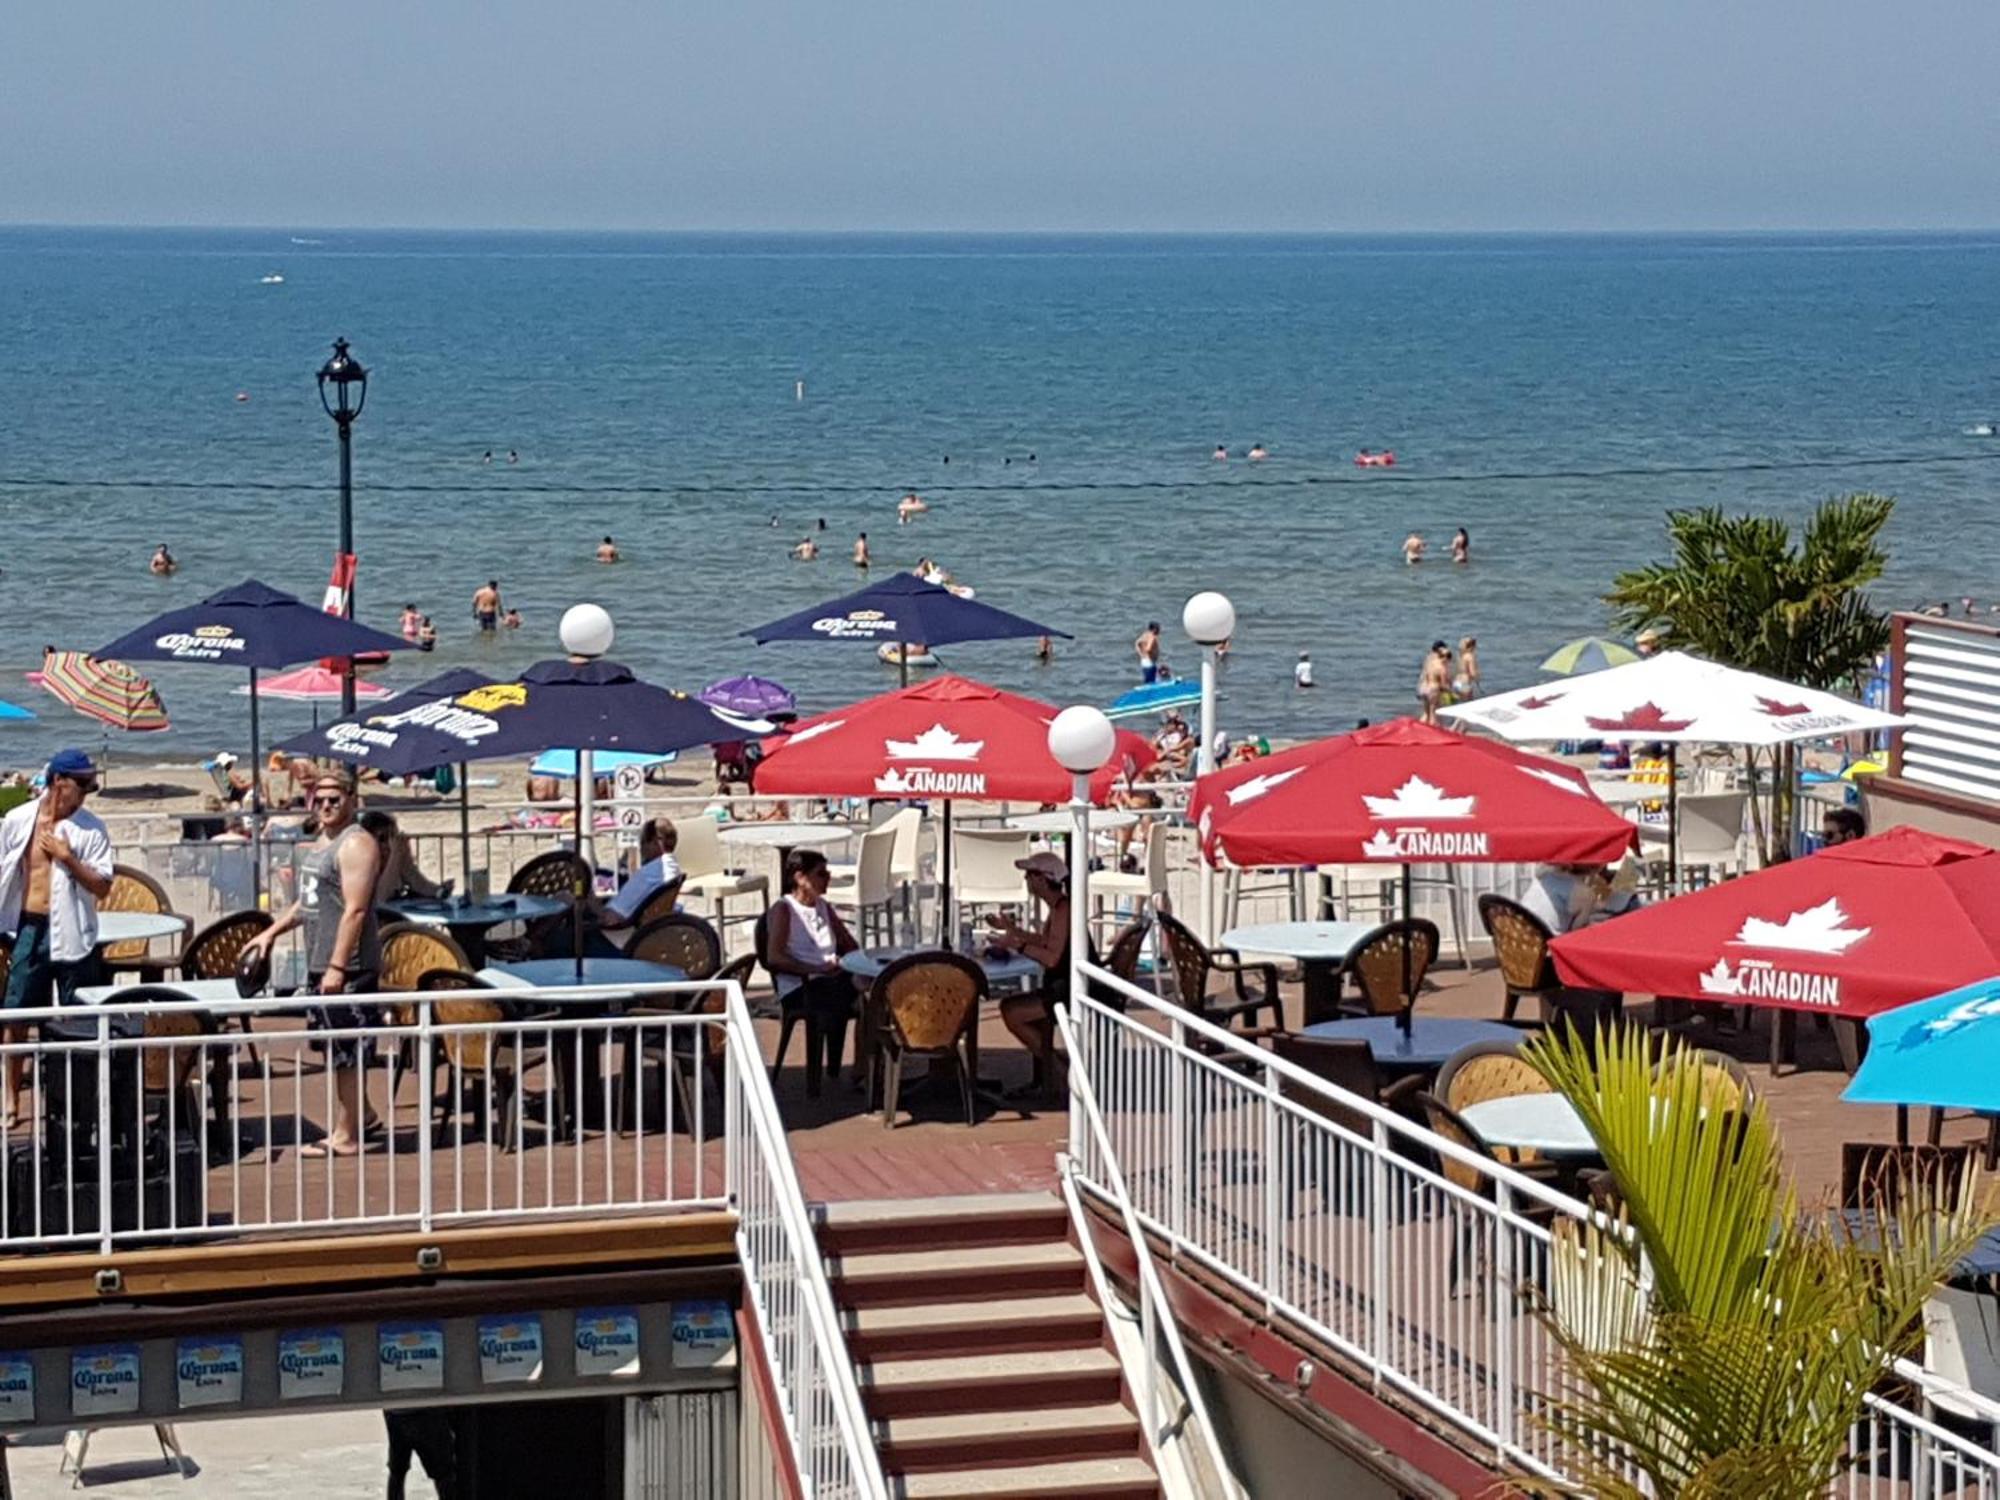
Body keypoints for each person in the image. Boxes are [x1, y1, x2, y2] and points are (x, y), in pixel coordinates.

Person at [243, 772, 383, 1157]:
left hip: (349, 966)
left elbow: (355, 910)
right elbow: (308, 902)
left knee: (348, 1052)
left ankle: (347, 1134)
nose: (324, 805)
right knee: (334, 1049)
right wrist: (272, 932)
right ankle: (363, 1114)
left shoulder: (355, 843)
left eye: (334, 799)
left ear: (352, 799)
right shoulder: (321, 843)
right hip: (321, 961)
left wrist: (338, 966)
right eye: (318, 799)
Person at [0, 750, 113, 1127]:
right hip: (29, 927)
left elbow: (102, 887)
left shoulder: (91, 828)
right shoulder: (18, 821)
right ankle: (12, 1097)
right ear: (58, 781)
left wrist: (68, 858)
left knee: (77, 1018)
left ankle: (78, 1104)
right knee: (16, 1016)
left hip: (73, 932)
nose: (87, 792)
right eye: (82, 784)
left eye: (90, 785)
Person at [764, 850, 860, 1097]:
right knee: (854, 996)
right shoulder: (785, 910)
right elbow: (774, 957)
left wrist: (843, 961)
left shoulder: (824, 907)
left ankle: (864, 1069)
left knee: (874, 994)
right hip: (801, 986)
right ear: (800, 877)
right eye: (821, 874)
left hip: (829, 978)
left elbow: (851, 946)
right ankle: (848, 1073)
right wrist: (814, 969)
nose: (827, 879)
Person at [993, 853, 1073, 1096]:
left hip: (1067, 989)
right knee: (1013, 1008)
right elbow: (1047, 941)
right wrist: (1013, 931)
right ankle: (1050, 1075)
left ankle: (1062, 1070)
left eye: (1030, 874)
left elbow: (1051, 957)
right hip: (1061, 985)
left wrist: (1017, 945)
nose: (1026, 879)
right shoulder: (1059, 906)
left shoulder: (1063, 910)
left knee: (1012, 1012)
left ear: (1042, 878)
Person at [599, 818, 682, 933]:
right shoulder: (674, 868)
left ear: (654, 842)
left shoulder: (648, 875)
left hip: (621, 938)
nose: (641, 848)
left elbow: (612, 916)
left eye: (642, 842)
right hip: (653, 931)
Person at [1522, 861, 1639, 935]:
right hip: (1548, 958)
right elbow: (1576, 937)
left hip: (1518, 948)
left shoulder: (1541, 878)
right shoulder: (1584, 894)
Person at [361, 810, 447, 905]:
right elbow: (380, 897)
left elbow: (417, 881)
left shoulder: (396, 857)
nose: (388, 844)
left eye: (392, 836)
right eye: (382, 838)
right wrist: (396, 854)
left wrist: (439, 891)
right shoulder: (364, 863)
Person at [1417, 641, 1451, 724]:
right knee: (1433, 714)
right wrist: (1450, 692)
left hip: (1424, 687)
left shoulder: (1430, 661)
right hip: (1433, 689)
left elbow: (1425, 674)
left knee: (1426, 713)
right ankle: (1433, 733)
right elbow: (1443, 684)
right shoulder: (1442, 667)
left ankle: (1420, 731)